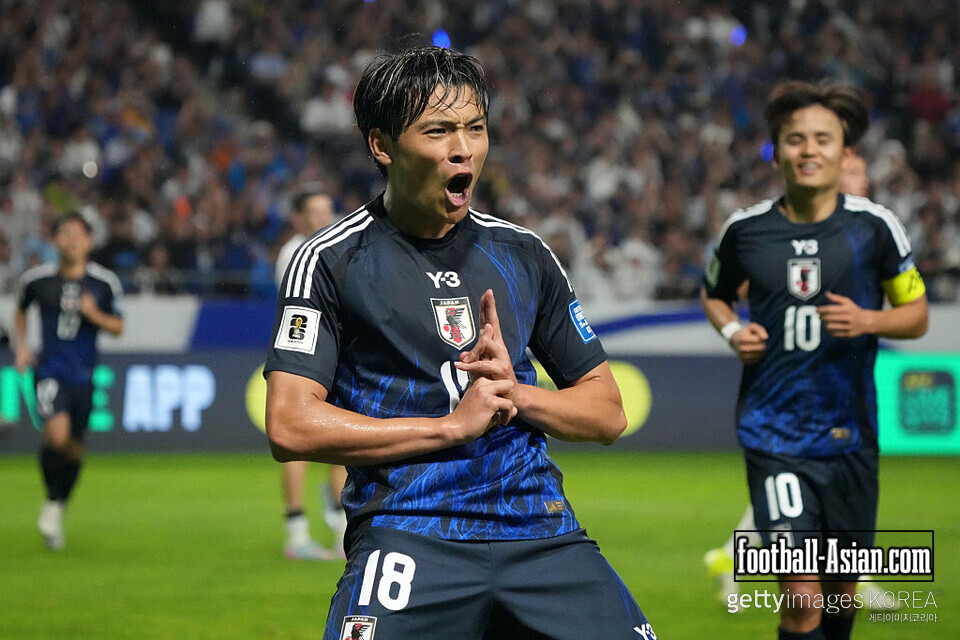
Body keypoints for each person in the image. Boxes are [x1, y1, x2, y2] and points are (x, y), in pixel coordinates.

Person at [263, 45, 655, 639]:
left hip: (538, 529)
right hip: (407, 528)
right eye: (439, 130)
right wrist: (450, 426)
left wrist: (516, 396)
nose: (463, 148)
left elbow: (607, 413)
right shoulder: (330, 261)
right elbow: (290, 424)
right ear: (382, 145)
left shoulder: (523, 254)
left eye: (475, 128)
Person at [701, 80, 928, 640]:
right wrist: (733, 329)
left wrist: (871, 320)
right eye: (795, 139)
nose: (808, 150)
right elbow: (714, 293)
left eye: (822, 139)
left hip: (850, 436)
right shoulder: (746, 231)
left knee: (840, 593)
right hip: (772, 434)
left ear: (844, 149)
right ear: (777, 151)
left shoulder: (874, 228)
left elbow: (917, 313)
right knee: (801, 598)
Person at [14, 211, 124, 551]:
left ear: (89, 241)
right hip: (49, 371)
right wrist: (21, 347)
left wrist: (94, 315)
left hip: (84, 377)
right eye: (65, 233)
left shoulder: (104, 283)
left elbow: (118, 327)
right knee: (57, 435)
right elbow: (19, 310)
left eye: (78, 234)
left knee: (74, 448)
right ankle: (52, 502)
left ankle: (56, 504)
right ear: (55, 240)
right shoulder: (37, 281)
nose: (72, 240)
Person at [273, 186, 348, 560]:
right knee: (297, 444)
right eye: (314, 212)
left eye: (327, 210)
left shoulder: (332, 247)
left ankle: (342, 527)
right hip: (303, 360)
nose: (322, 218)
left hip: (335, 357)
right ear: (299, 219)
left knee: (341, 445)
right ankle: (296, 532)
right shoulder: (296, 254)